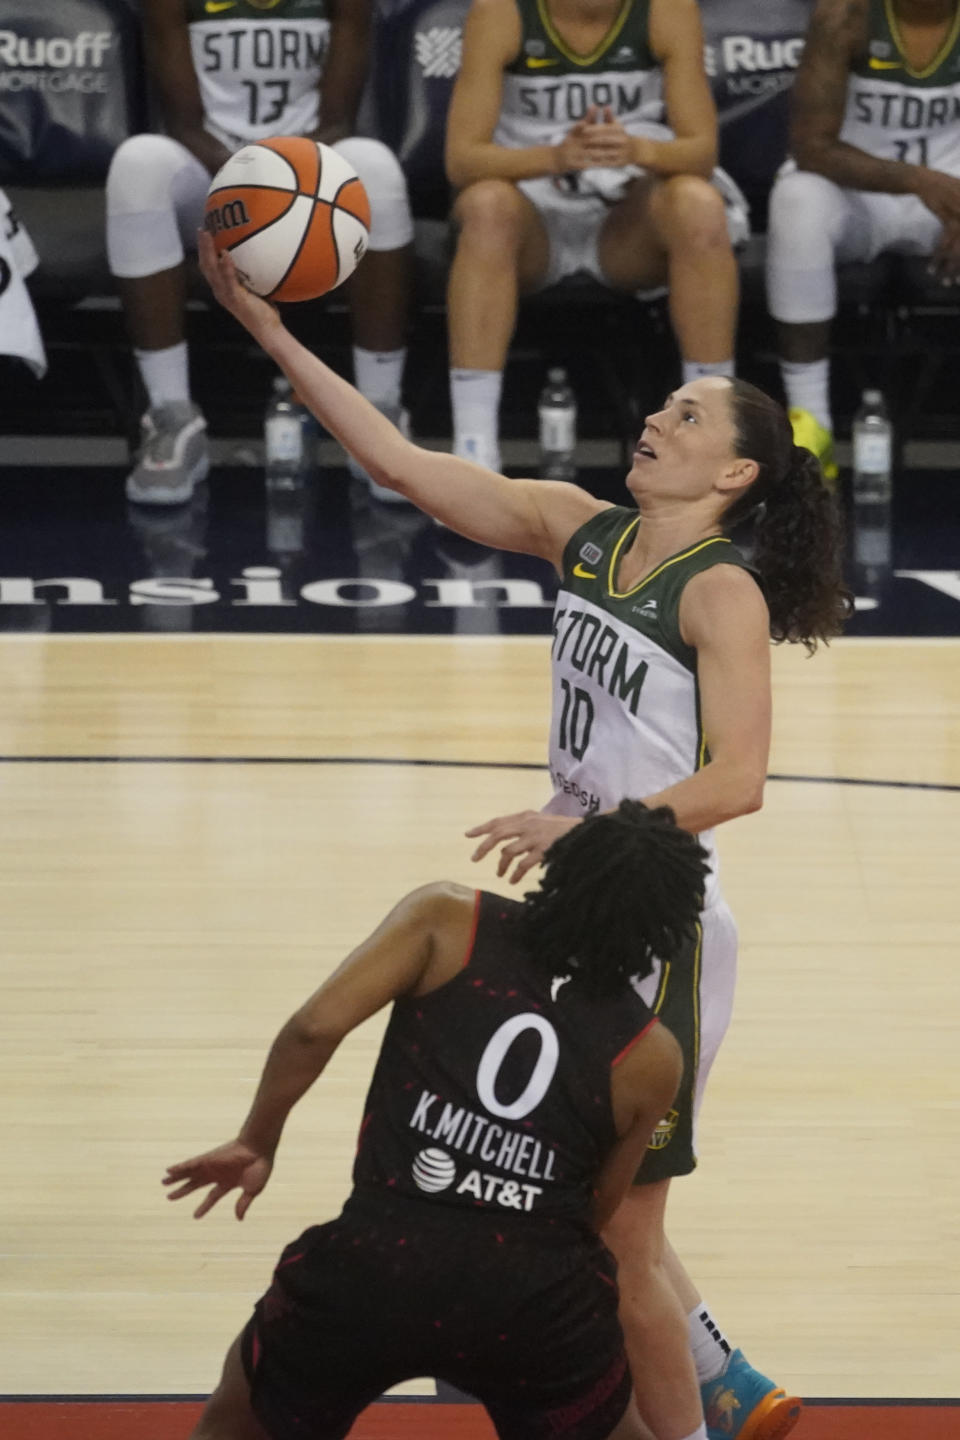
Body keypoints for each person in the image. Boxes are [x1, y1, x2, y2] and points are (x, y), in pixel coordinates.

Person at [196, 229, 853, 1440]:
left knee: (613, 1235)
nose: (660, 417)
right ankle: (730, 1384)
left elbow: (743, 780)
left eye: (691, 416)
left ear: (734, 477)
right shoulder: (580, 529)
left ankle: (703, 1421)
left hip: (658, 921)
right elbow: (398, 463)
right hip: (579, 902)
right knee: (591, 1209)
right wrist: (273, 330)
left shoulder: (721, 590)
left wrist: (588, 828)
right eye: (665, 404)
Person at [164, 801, 708, 1440]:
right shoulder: (651, 1055)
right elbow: (598, 1206)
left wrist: (259, 1139)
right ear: (666, 928)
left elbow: (314, 1029)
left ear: (562, 867)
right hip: (533, 1299)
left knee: (235, 1418)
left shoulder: (449, 920)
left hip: (376, 1262)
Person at [106, 0, 415, 505]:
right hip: (210, 165)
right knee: (137, 164)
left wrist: (281, 183)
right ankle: (171, 416)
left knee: (376, 167)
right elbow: (183, 123)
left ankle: (380, 415)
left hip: (311, 167)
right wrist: (248, 183)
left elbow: (339, 119)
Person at [443, 0, 750, 471]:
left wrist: (638, 148)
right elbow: (462, 160)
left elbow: (701, 153)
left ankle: (712, 436)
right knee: (486, 206)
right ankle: (473, 446)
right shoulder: (502, 12)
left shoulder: (665, 10)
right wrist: (556, 158)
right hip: (531, 223)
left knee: (699, 205)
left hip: (622, 226)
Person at [766, 0, 960, 480]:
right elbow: (811, 147)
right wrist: (917, 180)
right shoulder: (846, 16)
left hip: (951, 199)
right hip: (861, 196)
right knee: (796, 200)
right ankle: (812, 429)